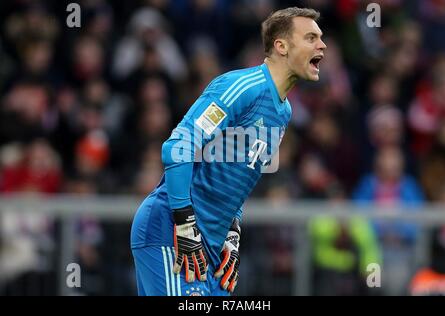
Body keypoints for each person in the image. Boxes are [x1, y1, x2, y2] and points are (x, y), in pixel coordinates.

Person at [130, 7, 327, 296]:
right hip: (170, 231)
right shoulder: (241, 87)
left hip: (210, 246)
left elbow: (238, 178)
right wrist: (184, 222)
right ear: (281, 46)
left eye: (320, 38)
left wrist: (232, 234)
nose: (322, 45)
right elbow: (178, 147)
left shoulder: (283, 112)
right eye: (311, 37)